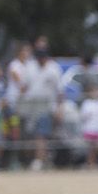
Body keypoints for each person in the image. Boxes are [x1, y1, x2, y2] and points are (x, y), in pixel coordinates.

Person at [19, 42, 62, 171]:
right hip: (31, 104)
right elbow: (24, 87)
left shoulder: (53, 68)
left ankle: (39, 160)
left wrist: (60, 108)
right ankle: (36, 159)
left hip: (46, 104)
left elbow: (59, 91)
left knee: (41, 133)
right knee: (29, 134)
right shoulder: (30, 67)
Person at [79, 89, 98, 168]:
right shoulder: (86, 103)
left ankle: (94, 161)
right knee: (90, 148)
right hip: (89, 128)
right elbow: (83, 115)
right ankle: (91, 163)